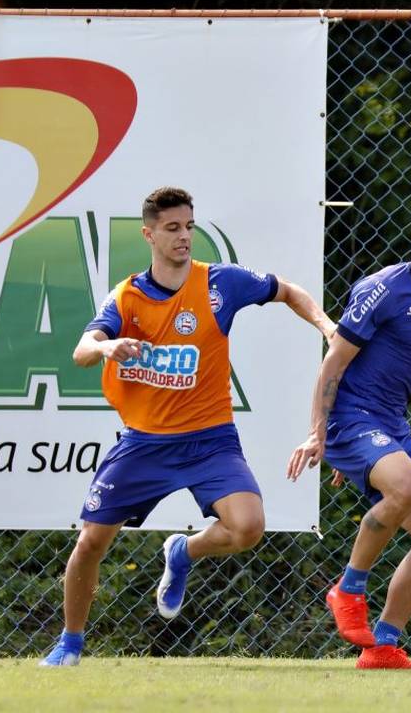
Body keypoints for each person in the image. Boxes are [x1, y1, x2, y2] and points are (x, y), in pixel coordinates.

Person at [39, 186, 334, 666]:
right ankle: (70, 643)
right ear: (149, 234)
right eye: (173, 229)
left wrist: (325, 325)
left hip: (209, 440)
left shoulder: (221, 283)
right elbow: (81, 350)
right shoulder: (129, 296)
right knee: (91, 541)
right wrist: (107, 347)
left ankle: (182, 553)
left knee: (248, 528)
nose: (183, 237)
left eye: (189, 227)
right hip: (145, 445)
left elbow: (288, 290)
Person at [288, 203, 411, 670]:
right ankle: (347, 589)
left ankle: (382, 647)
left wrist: (371, 460)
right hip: (352, 418)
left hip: (390, 426)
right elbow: (334, 362)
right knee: (406, 488)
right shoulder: (384, 289)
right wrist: (320, 435)